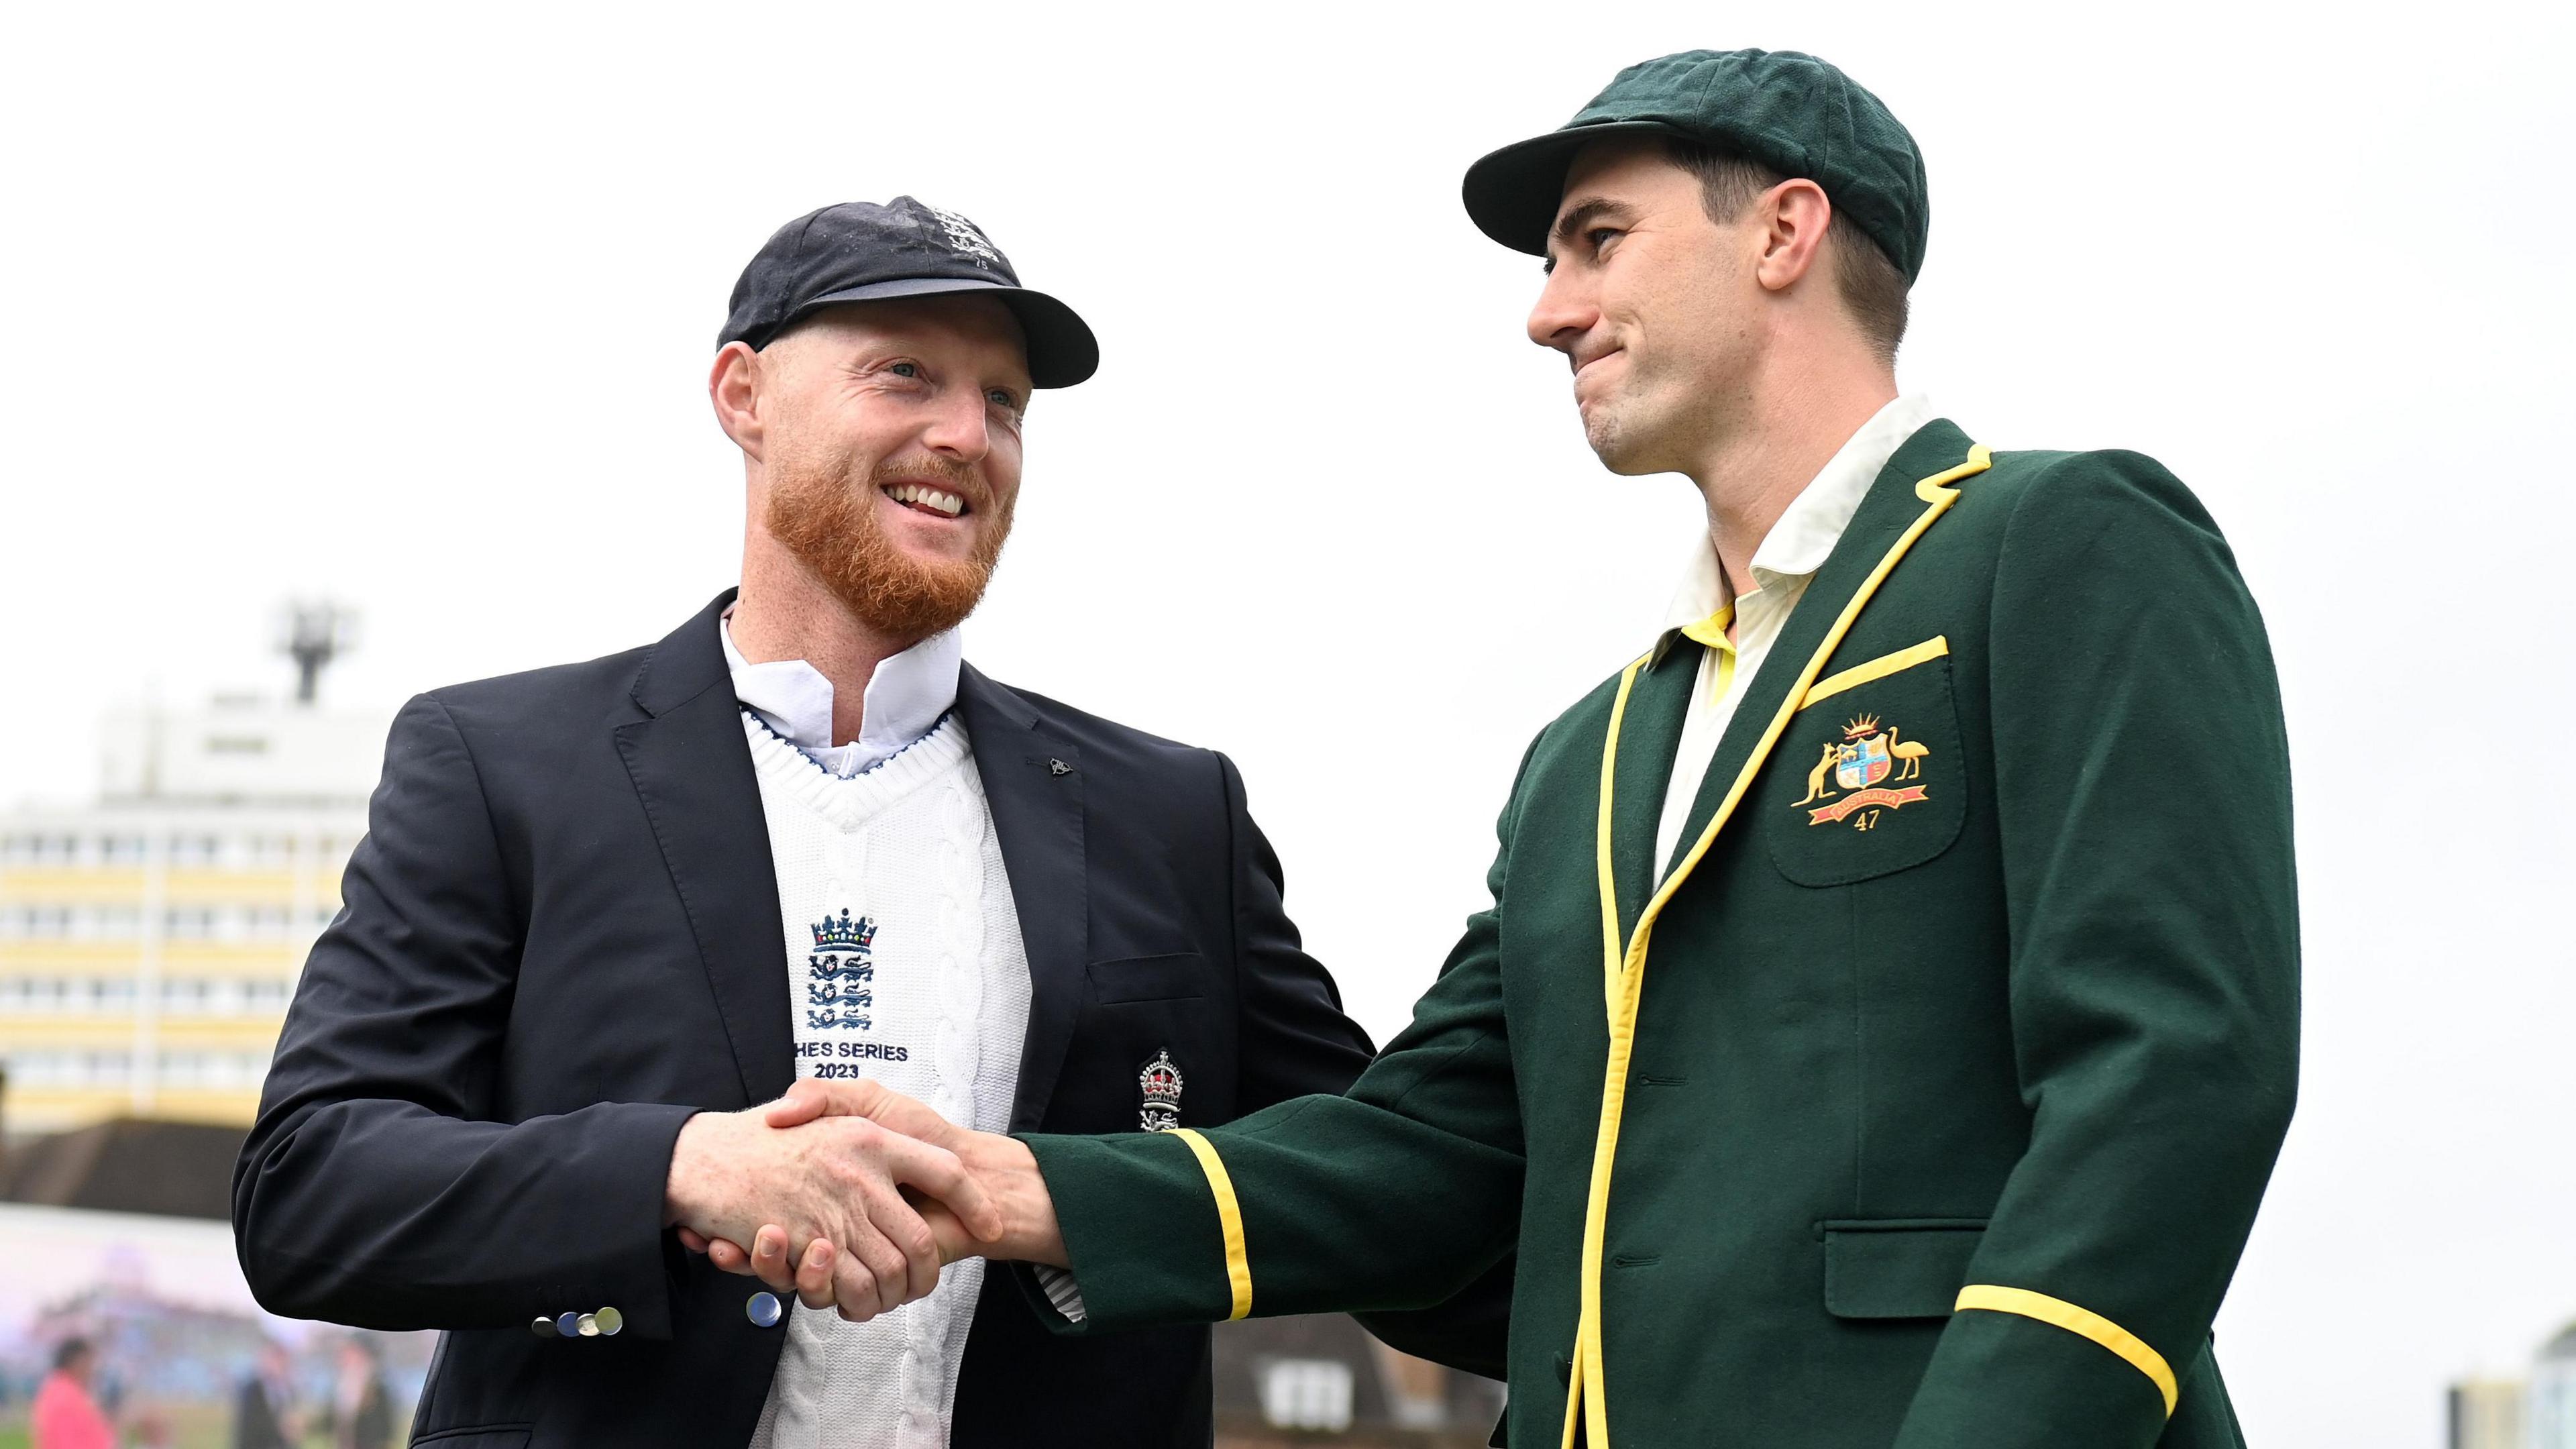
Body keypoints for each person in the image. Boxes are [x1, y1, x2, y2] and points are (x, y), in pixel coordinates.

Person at [733, 49, 2301, 1449]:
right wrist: (1019, 1191)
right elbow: (1430, 1154)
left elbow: (2171, 1075)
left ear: (1782, 233)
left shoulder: (2061, 543)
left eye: (1594, 239)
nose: (1546, 308)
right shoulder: (1586, 758)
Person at [232, 195, 1494, 1449]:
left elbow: (1378, 1192)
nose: (968, 434)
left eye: (1005, 402)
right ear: (744, 397)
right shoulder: (501, 765)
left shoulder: (1175, 814)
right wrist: (678, 1165)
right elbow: (311, 1192)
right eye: (907, 375)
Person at [29, 1338, 111, 1449]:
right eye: (91, 1362)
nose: (94, 1370)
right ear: (79, 1361)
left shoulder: (65, 1391)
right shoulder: (64, 1397)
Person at [229, 1340, 294, 1449]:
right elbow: (248, 1429)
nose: (280, 1366)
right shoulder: (252, 1390)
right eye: (275, 1360)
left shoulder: (288, 1391)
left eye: (282, 1361)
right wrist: (281, 1428)